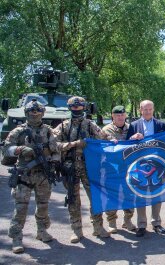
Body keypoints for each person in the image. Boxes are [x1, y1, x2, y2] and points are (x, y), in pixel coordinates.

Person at [4, 100, 60, 253]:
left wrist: (54, 162)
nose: (35, 115)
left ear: (42, 113)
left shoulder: (48, 131)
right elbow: (6, 149)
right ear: (26, 113)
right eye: (31, 112)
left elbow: (56, 150)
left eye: (37, 112)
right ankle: (16, 238)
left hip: (43, 174)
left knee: (43, 205)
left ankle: (42, 231)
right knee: (21, 208)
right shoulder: (18, 131)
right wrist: (20, 149)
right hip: (25, 174)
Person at [54, 96, 110, 243]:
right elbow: (54, 144)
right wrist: (73, 144)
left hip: (88, 167)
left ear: (84, 107)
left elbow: (104, 138)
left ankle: (98, 227)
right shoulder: (63, 126)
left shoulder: (90, 125)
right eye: (73, 107)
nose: (76, 109)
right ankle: (76, 230)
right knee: (73, 200)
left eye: (79, 107)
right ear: (69, 108)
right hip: (70, 167)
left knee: (95, 198)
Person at [126, 99, 165, 237]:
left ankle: (156, 223)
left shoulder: (161, 125)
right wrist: (132, 137)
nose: (148, 111)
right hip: (140, 164)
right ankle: (142, 225)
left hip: (158, 164)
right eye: (145, 109)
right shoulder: (133, 125)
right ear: (140, 110)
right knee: (140, 194)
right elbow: (126, 144)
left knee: (157, 193)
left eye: (150, 109)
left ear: (153, 110)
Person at [101, 105, 136, 233]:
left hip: (128, 167)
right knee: (112, 194)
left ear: (125, 115)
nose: (120, 117)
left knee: (129, 194)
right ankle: (112, 222)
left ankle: (128, 220)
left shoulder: (132, 128)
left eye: (122, 115)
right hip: (112, 168)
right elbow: (100, 148)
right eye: (117, 115)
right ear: (112, 116)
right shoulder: (105, 130)